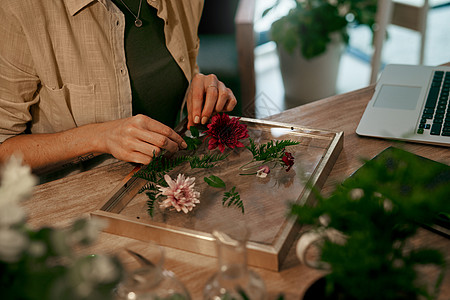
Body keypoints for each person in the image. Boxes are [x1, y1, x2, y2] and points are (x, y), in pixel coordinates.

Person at [0, 0, 237, 173]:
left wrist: (202, 93)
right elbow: (3, 148)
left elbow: (178, 74)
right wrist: (98, 137)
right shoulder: (20, 9)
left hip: (172, 177)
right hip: (74, 208)